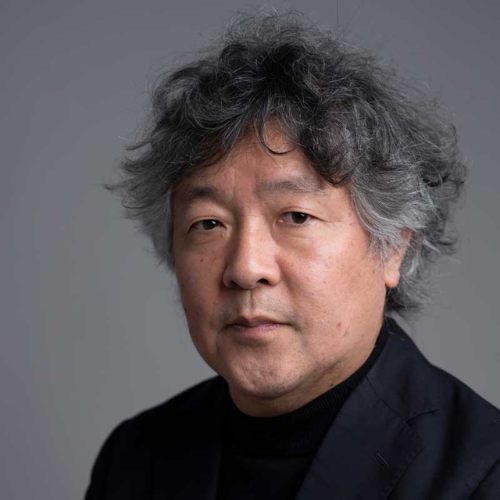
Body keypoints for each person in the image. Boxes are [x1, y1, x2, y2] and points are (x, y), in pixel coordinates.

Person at [84, 11, 500, 499]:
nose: (245, 268)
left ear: (392, 247)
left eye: (297, 216)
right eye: (209, 224)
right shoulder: (134, 460)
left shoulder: (482, 474)